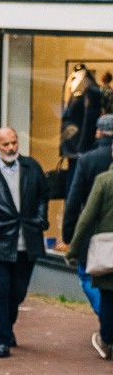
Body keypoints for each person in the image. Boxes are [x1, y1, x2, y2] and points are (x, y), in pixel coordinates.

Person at [0, 127, 49, 358]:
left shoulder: (32, 167)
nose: (11, 148)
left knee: (18, 292)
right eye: (5, 144)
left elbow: (44, 194)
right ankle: (1, 340)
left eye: (14, 142)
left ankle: (7, 325)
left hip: (27, 241)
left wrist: (40, 218)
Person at [62, 114, 113, 315]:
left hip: (94, 233)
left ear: (98, 132)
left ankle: (106, 320)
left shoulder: (87, 160)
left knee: (87, 275)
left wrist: (69, 235)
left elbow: (74, 201)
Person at [67, 166, 113, 359]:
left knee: (108, 297)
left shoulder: (104, 181)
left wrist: (74, 249)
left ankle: (107, 342)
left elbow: (87, 217)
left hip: (108, 251)